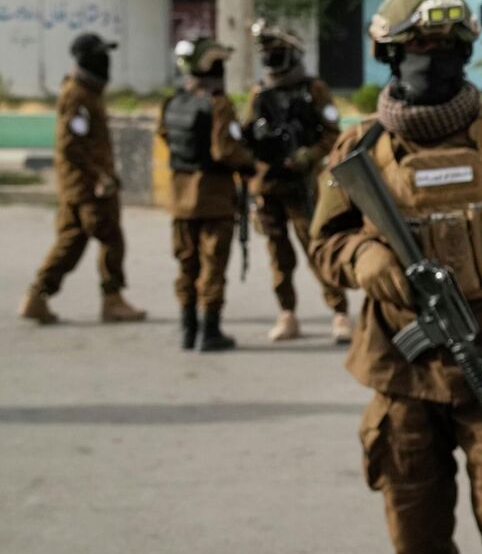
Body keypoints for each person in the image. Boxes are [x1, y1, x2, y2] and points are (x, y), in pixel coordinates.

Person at [309, 0, 482, 554]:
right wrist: (365, 259)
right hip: (402, 382)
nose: (438, 58)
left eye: (451, 45)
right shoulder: (360, 149)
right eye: (423, 44)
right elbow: (324, 242)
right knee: (419, 551)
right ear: (393, 54)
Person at [21, 32, 148, 325]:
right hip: (89, 187)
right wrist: (100, 176)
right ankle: (112, 299)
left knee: (71, 241)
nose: (106, 62)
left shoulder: (85, 92)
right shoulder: (78, 95)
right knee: (111, 238)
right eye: (100, 55)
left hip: (77, 185)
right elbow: (70, 145)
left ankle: (38, 295)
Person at [246, 19, 352, 344]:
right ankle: (287, 314)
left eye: (276, 54)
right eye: (266, 54)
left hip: (303, 186)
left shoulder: (312, 90)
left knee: (316, 249)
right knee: (279, 256)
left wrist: (307, 156)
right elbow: (247, 137)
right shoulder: (259, 93)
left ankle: (339, 313)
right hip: (268, 186)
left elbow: (332, 134)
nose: (271, 61)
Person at [158, 39, 255, 352]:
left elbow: (164, 135)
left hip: (179, 198)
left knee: (187, 265)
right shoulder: (218, 103)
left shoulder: (174, 101)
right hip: (213, 198)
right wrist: (249, 163)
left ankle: (188, 328)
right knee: (212, 266)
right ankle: (209, 331)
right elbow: (224, 149)